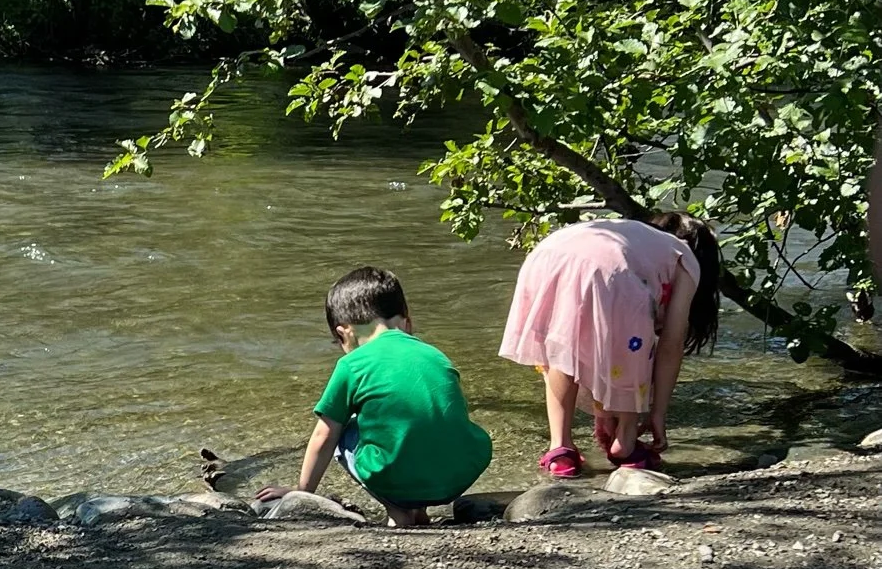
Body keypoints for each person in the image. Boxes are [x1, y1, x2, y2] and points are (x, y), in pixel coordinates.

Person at [498, 209, 720, 478]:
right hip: (612, 270)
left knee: (562, 349)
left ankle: (561, 449)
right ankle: (625, 442)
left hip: (546, 256)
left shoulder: (635, 237)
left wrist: (603, 412)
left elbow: (595, 343)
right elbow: (670, 345)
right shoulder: (685, 259)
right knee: (637, 346)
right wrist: (657, 413)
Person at [279, 265, 493, 529]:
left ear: (343, 333)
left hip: (401, 480)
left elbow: (323, 437)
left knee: (342, 430)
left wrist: (301, 494)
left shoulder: (352, 364)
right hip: (459, 475)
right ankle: (419, 511)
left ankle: (399, 512)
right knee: (418, 417)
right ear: (407, 322)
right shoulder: (436, 355)